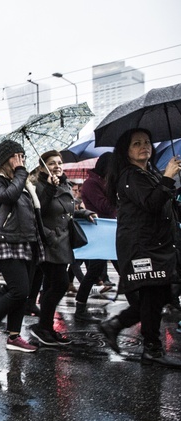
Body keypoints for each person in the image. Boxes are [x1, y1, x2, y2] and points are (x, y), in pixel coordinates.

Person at [100, 128, 181, 368]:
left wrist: (171, 182)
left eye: (147, 142)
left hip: (158, 245)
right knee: (153, 295)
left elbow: (166, 204)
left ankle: (114, 325)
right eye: (136, 143)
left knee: (161, 295)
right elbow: (152, 203)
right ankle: (152, 349)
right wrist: (167, 178)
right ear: (126, 151)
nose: (144, 146)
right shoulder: (129, 176)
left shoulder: (149, 174)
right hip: (141, 246)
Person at [0, 140, 40, 353]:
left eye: (23, 157)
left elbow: (33, 208)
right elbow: (8, 196)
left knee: (24, 293)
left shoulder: (22, 180)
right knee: (18, 289)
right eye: (17, 156)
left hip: (26, 239)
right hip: (5, 239)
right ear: (7, 159)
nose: (22, 161)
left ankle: (14, 336)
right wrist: (21, 172)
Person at [29, 150, 96, 346]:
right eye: (51, 163)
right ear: (42, 167)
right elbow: (37, 210)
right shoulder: (38, 186)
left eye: (59, 162)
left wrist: (84, 213)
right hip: (48, 243)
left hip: (62, 242)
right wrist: (49, 187)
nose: (57, 166)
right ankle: (42, 327)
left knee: (52, 285)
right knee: (60, 283)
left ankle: (47, 329)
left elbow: (68, 210)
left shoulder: (64, 183)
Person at [74, 152, 118, 322]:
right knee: (117, 268)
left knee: (95, 271)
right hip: (101, 233)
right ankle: (137, 308)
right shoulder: (92, 184)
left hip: (108, 232)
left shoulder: (102, 182)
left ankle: (80, 306)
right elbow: (104, 206)